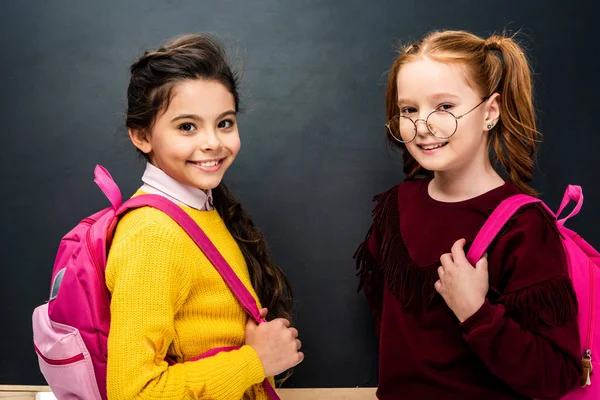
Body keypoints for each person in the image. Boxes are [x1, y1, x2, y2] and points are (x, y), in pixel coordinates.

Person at [355, 29, 582, 400]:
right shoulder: (395, 207)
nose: (423, 125)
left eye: (444, 107)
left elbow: (556, 376)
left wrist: (476, 312)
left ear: (490, 112)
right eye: (409, 109)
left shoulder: (524, 226)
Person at [105, 33, 303, 399]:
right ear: (141, 136)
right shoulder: (152, 235)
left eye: (224, 123)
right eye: (187, 127)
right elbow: (132, 394)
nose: (213, 141)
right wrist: (255, 361)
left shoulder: (202, 209)